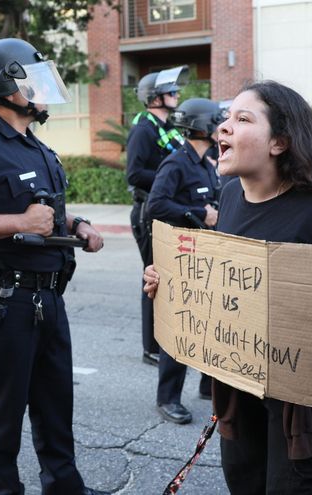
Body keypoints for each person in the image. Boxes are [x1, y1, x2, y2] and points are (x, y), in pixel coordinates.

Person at [142, 81, 312, 493]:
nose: (224, 127)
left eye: (242, 119)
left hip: (307, 409)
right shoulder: (229, 197)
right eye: (226, 118)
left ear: (280, 142)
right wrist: (172, 284)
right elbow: (224, 283)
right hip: (240, 396)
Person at [0, 38, 106, 495]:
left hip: (49, 295)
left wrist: (78, 224)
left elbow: (46, 211)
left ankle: (65, 487)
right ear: (6, 85)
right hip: (5, 301)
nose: (43, 93)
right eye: (35, 82)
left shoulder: (36, 148)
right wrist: (20, 222)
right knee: (4, 412)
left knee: (54, 404)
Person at [146, 98, 223, 424]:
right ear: (203, 126)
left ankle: (209, 386)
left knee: (209, 321)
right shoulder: (177, 163)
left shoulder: (207, 162)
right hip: (180, 256)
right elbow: (156, 205)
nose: (223, 127)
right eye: (217, 122)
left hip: (204, 256)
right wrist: (199, 214)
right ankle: (168, 398)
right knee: (181, 326)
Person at [125, 65, 188, 366]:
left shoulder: (168, 127)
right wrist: (169, 179)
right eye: (171, 91)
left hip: (165, 211)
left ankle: (161, 339)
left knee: (164, 278)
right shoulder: (143, 128)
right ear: (154, 97)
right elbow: (135, 173)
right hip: (147, 211)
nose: (177, 94)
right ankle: (151, 347)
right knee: (153, 277)